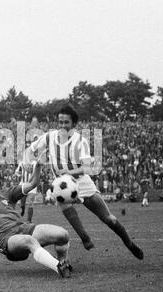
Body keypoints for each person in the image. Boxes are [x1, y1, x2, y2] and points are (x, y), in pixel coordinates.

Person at [24, 105, 144, 260]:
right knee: (65, 203)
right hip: (62, 185)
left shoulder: (81, 141)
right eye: (60, 122)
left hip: (82, 183)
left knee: (109, 219)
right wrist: (27, 160)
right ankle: (85, 237)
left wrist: (69, 172)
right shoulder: (49, 137)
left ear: (73, 124)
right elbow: (29, 150)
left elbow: (86, 167)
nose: (62, 126)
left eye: (66, 122)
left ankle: (129, 243)